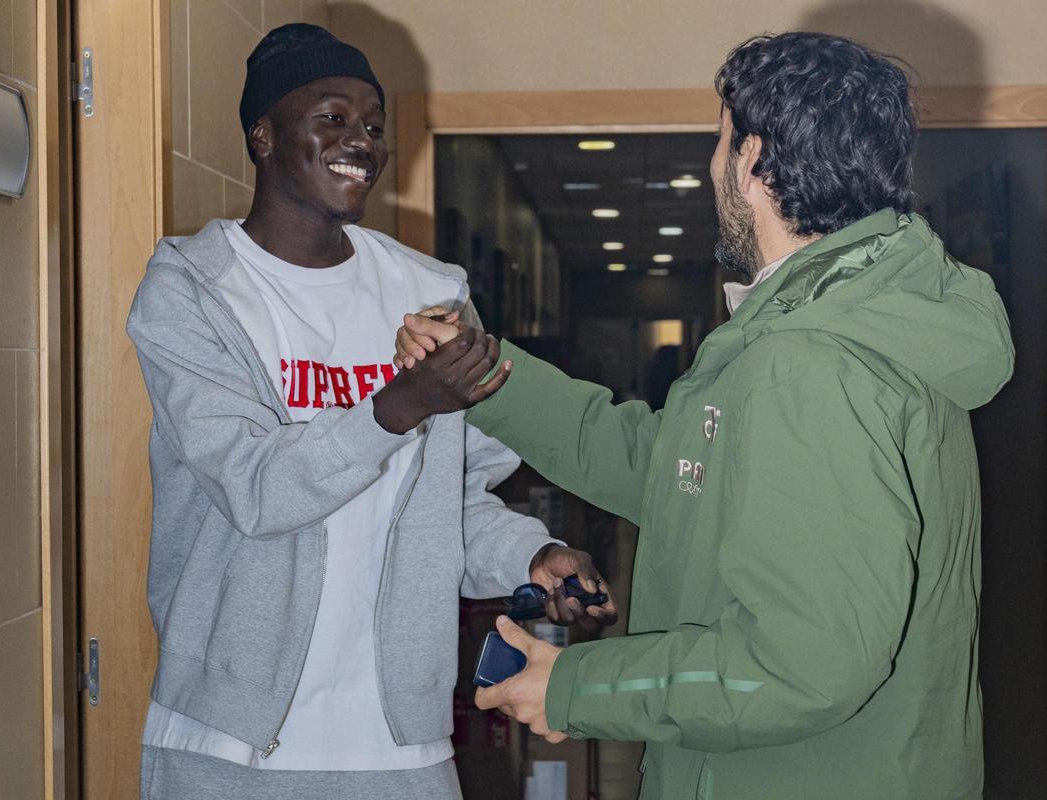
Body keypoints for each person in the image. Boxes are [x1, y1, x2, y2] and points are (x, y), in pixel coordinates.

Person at [395, 32, 1013, 799]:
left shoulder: (810, 362)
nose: (711, 166)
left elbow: (800, 665)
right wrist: (485, 370)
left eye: (719, 143)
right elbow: (662, 468)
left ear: (752, 162)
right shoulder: (847, 321)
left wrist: (577, 687)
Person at [127, 23, 616, 800]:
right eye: (332, 117)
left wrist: (530, 553)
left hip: (399, 746)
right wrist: (396, 406)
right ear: (262, 134)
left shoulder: (429, 292)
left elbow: (447, 501)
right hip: (229, 746)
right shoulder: (194, 293)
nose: (361, 140)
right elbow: (255, 490)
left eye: (374, 126)